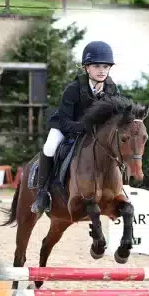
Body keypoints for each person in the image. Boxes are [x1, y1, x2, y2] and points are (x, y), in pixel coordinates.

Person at [30, 41, 120, 215]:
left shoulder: (112, 88)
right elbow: (64, 121)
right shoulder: (73, 89)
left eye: (105, 66)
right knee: (49, 148)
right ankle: (42, 194)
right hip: (66, 126)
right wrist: (84, 127)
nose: (102, 70)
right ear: (87, 68)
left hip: (93, 133)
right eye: (96, 66)